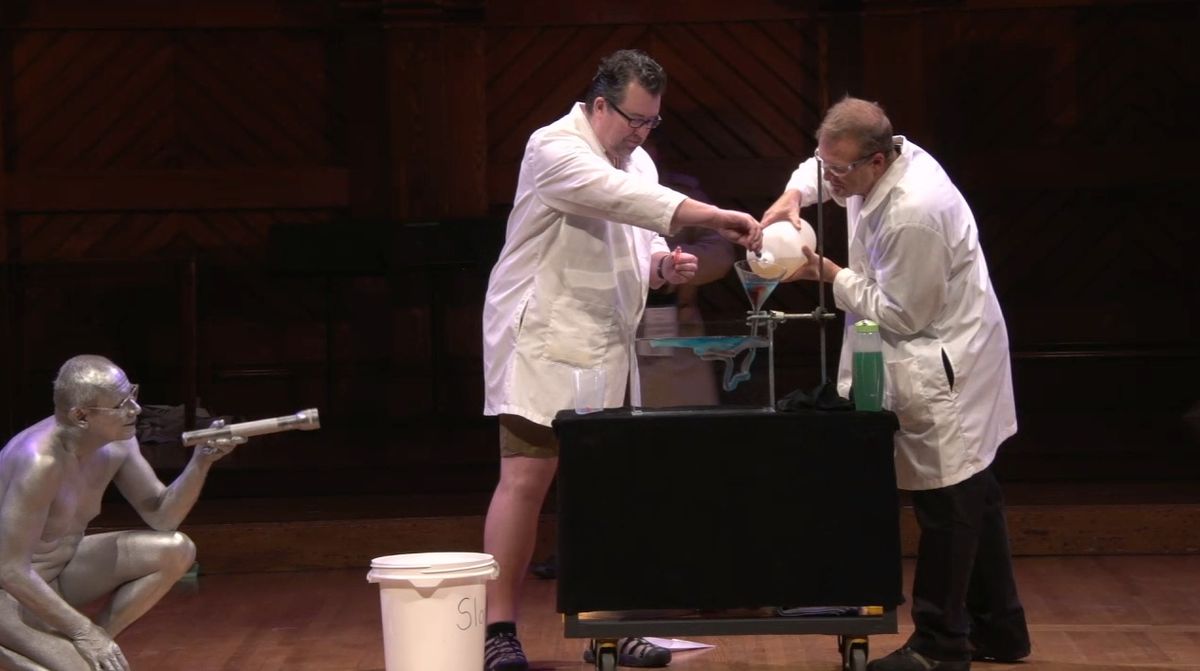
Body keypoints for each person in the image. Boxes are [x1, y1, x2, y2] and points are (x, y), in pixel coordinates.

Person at [481, 49, 762, 671]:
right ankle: (499, 630)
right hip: (544, 340)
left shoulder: (636, 159)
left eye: (651, 122)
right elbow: (619, 201)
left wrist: (664, 266)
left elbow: (638, 237)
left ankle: (607, 626)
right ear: (600, 104)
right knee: (526, 480)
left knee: (604, 488)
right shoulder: (553, 147)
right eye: (633, 118)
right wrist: (712, 216)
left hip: (606, 341)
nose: (640, 132)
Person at [762, 96, 1031, 671]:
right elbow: (817, 170)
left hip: (946, 361)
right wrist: (793, 194)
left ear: (878, 162)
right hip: (941, 349)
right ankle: (1002, 631)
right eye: (823, 165)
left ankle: (941, 644)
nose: (828, 180)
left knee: (950, 504)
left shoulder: (915, 210)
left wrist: (829, 275)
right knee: (977, 498)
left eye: (839, 172)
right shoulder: (867, 159)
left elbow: (903, 314)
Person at [0, 355, 242, 671]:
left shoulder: (117, 442)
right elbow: (10, 570)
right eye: (121, 404)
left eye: (133, 395)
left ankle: (89, 649)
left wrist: (200, 463)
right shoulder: (39, 463)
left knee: (175, 549)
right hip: (9, 594)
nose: (136, 410)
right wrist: (83, 631)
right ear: (81, 416)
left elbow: (163, 516)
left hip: (58, 575)